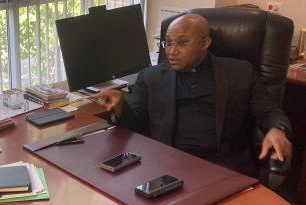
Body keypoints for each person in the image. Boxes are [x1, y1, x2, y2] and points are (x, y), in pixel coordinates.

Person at [88, 14, 292, 176]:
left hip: (221, 166)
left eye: (182, 43)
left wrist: (277, 129)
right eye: (168, 43)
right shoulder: (150, 77)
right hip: (164, 163)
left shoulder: (240, 73)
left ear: (205, 43)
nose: (172, 51)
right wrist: (121, 105)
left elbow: (269, 111)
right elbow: (137, 124)